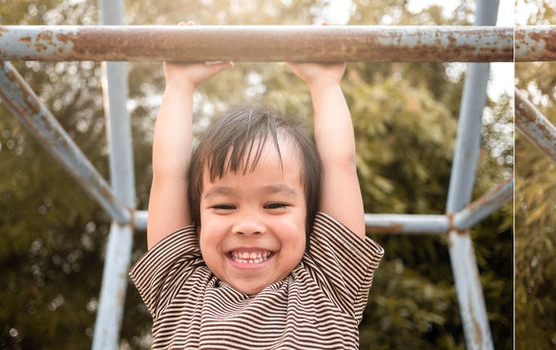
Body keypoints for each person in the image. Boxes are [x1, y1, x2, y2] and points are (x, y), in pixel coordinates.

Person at [129, 22, 382, 349]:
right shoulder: (181, 289)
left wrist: (324, 83)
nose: (248, 226)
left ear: (311, 219)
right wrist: (178, 85)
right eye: (224, 206)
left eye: (274, 205)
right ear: (197, 220)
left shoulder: (328, 285)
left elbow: (339, 165)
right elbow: (168, 175)